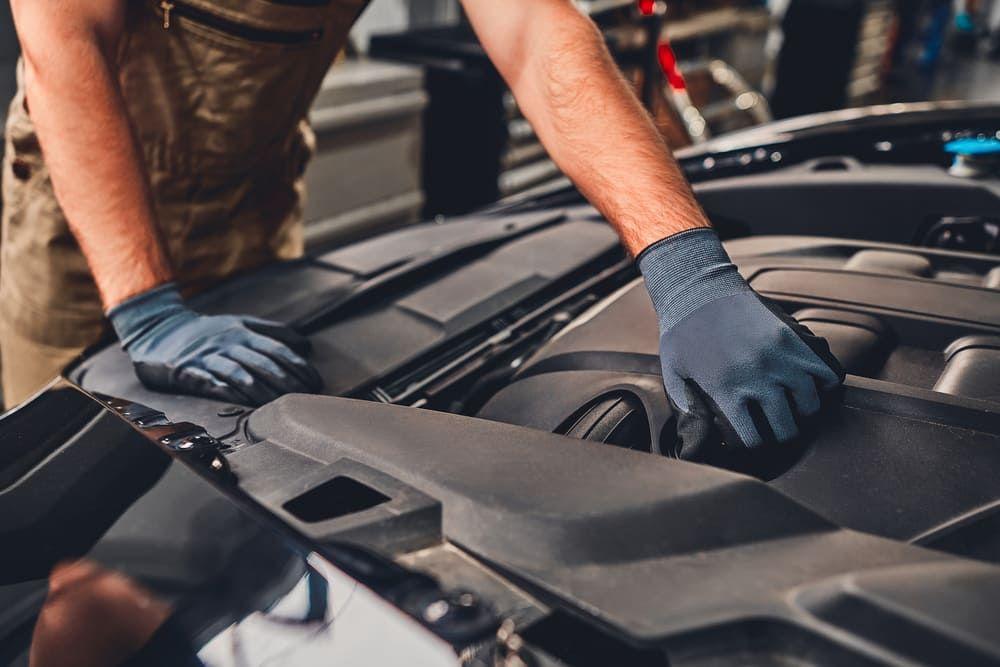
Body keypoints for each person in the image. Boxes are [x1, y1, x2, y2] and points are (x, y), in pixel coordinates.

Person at [4, 0, 842, 450]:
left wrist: (685, 264)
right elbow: (63, 44)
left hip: (256, 197)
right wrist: (145, 304)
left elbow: (534, 29)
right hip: (89, 230)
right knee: (88, 505)